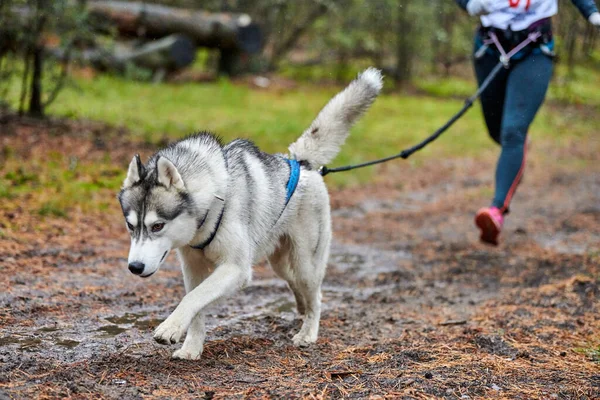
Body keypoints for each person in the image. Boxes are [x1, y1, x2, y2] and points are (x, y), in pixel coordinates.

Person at [455, 0, 600, 245]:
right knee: (499, 133)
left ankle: (496, 210)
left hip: (534, 50)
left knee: (513, 131)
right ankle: (517, 148)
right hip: (489, 48)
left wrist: (591, 12)